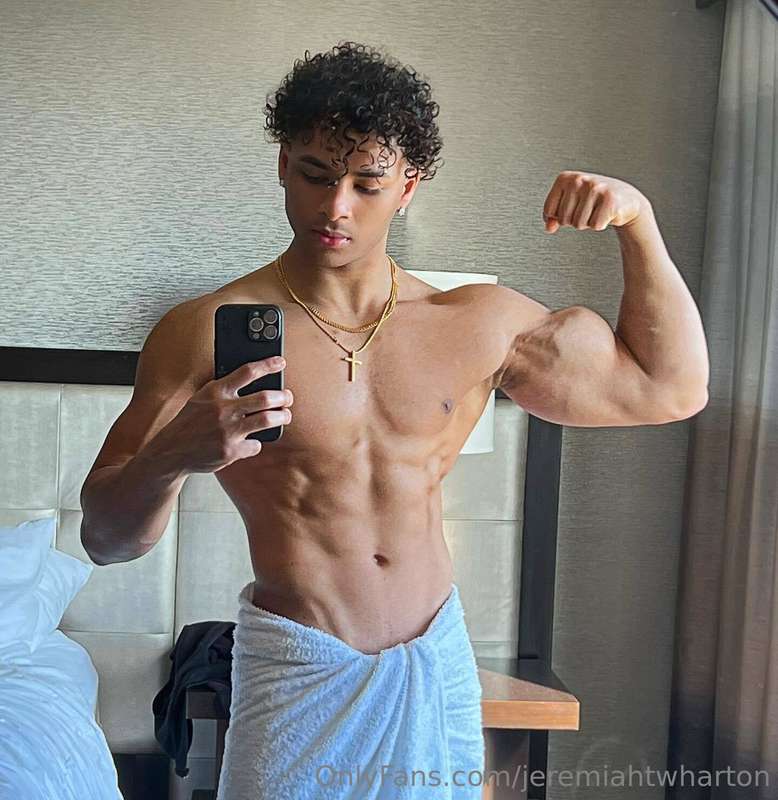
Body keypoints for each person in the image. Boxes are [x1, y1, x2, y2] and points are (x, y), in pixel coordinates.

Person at [80, 41, 709, 799]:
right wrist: (172, 456)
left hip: (432, 668)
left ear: (408, 186)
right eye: (315, 174)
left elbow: (668, 389)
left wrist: (638, 224)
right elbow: (106, 540)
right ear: (282, 165)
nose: (335, 207)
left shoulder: (474, 323)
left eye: (366, 184)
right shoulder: (203, 331)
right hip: (299, 676)